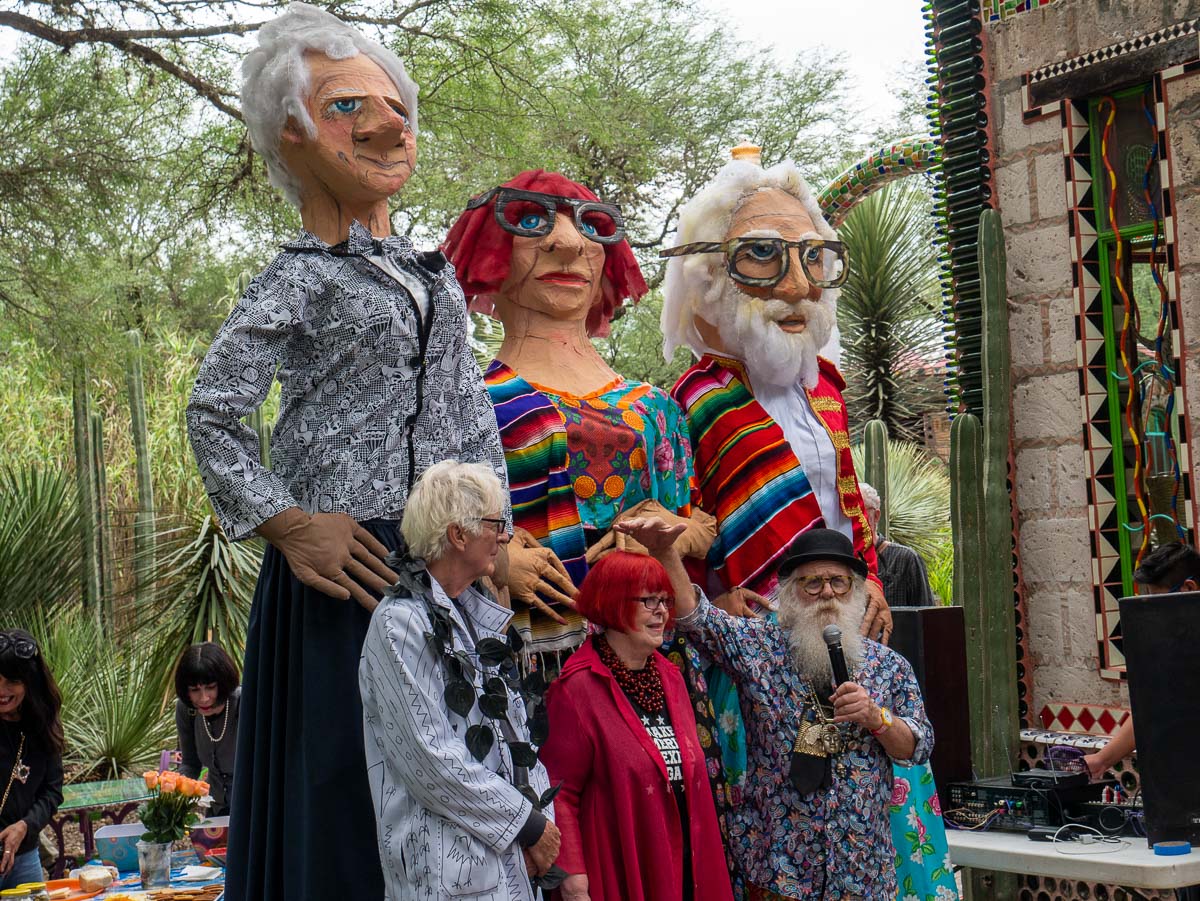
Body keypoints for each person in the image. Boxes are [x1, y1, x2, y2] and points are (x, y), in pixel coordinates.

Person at [186, 5, 509, 898]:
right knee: (342, 789)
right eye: (346, 107)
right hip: (343, 574)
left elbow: (470, 412)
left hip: (442, 566)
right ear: (290, 133)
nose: (386, 125)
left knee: (456, 781)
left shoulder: (434, 277)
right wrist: (291, 525)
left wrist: (497, 538)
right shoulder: (298, 274)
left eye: (396, 107)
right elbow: (213, 411)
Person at [442, 170, 712, 661]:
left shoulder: (655, 407)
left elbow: (699, 524)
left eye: (591, 226)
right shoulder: (466, 401)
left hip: (644, 648)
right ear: (490, 255)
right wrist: (497, 560)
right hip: (523, 652)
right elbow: (431, 527)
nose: (567, 243)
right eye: (530, 221)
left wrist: (664, 537)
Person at [618, 516, 932, 900]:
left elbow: (917, 747)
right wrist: (665, 551)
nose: (827, 593)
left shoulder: (889, 666)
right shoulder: (758, 647)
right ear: (791, 592)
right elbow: (696, 619)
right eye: (812, 582)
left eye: (838, 582)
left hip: (863, 874)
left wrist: (876, 718)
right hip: (777, 871)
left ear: (855, 590)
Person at [660, 148, 890, 637]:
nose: (798, 286)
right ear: (711, 276)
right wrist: (709, 605)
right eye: (763, 254)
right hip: (748, 632)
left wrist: (871, 580)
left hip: (846, 617)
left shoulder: (825, 386)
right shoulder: (692, 400)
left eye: (812, 257)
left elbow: (847, 503)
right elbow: (682, 530)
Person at [359, 461, 559, 900]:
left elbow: (516, 731)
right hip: (444, 873)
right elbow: (430, 757)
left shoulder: (478, 618)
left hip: (508, 862)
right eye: (496, 524)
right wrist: (527, 826)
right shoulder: (399, 625)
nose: (505, 537)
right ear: (458, 535)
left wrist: (540, 822)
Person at [539, 550, 734, 901]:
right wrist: (573, 880)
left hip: (686, 869)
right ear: (613, 603)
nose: (661, 611)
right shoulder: (576, 689)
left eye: (664, 600)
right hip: (621, 870)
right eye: (648, 601)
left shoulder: (671, 677)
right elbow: (559, 793)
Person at [1083, 542, 1200, 781]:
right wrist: (1101, 760)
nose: (1154, 613)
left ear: (1189, 588)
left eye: (1158, 601)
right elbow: (1154, 708)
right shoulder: (1177, 642)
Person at [0, 630, 63, 889]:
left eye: (12, 681)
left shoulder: (43, 727)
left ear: (30, 681)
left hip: (24, 859)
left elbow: (52, 792)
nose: (1, 691)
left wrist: (25, 826)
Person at [173, 643, 241, 816]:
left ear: (223, 683)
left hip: (252, 809)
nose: (203, 698)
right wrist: (175, 791)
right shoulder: (186, 710)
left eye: (210, 687)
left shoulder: (244, 704)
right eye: (194, 690)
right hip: (215, 809)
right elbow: (190, 764)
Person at [859, 482, 935, 606]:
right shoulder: (840, 561)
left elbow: (926, 612)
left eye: (859, 510)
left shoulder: (905, 558)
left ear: (876, 516)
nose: (852, 517)